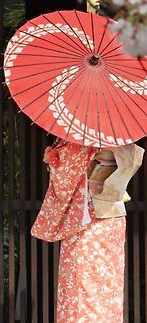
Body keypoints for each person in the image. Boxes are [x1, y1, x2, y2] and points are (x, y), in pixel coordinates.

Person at [31, 138, 144, 323]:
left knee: (83, 286)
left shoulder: (81, 138)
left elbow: (66, 177)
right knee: (107, 287)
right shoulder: (120, 137)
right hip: (112, 218)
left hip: (87, 220)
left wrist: (52, 159)